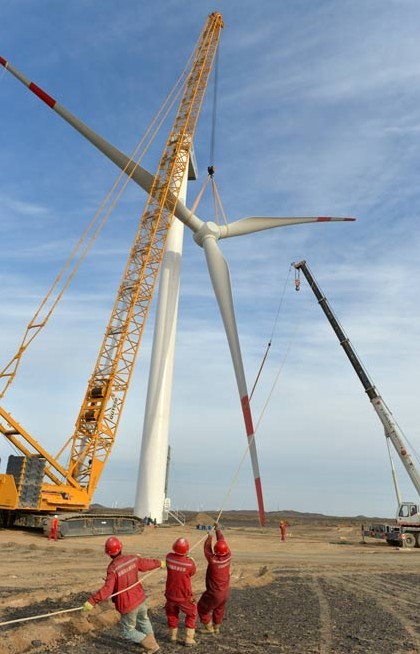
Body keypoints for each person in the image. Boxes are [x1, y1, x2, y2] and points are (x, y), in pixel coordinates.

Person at [82, 536, 164, 653]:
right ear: (121, 548)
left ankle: (152, 646)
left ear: (109, 554)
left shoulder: (113, 568)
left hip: (128, 604)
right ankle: (151, 642)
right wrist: (160, 563)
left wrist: (92, 601)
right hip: (140, 599)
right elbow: (147, 563)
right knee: (144, 620)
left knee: (128, 631)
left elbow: (107, 590)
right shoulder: (133, 558)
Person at [197, 525, 231, 635]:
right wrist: (218, 530)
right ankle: (217, 628)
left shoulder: (213, 561)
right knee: (219, 609)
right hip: (225, 592)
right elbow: (222, 541)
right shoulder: (229, 555)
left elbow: (207, 549)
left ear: (216, 552)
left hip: (214, 593)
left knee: (202, 607)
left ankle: (209, 627)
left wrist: (209, 537)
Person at [165, 537, 197, 646]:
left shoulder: (168, 558)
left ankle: (173, 636)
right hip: (184, 596)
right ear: (186, 550)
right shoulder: (189, 564)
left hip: (170, 595)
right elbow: (192, 572)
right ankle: (189, 639)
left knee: (172, 614)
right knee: (192, 613)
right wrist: (191, 559)